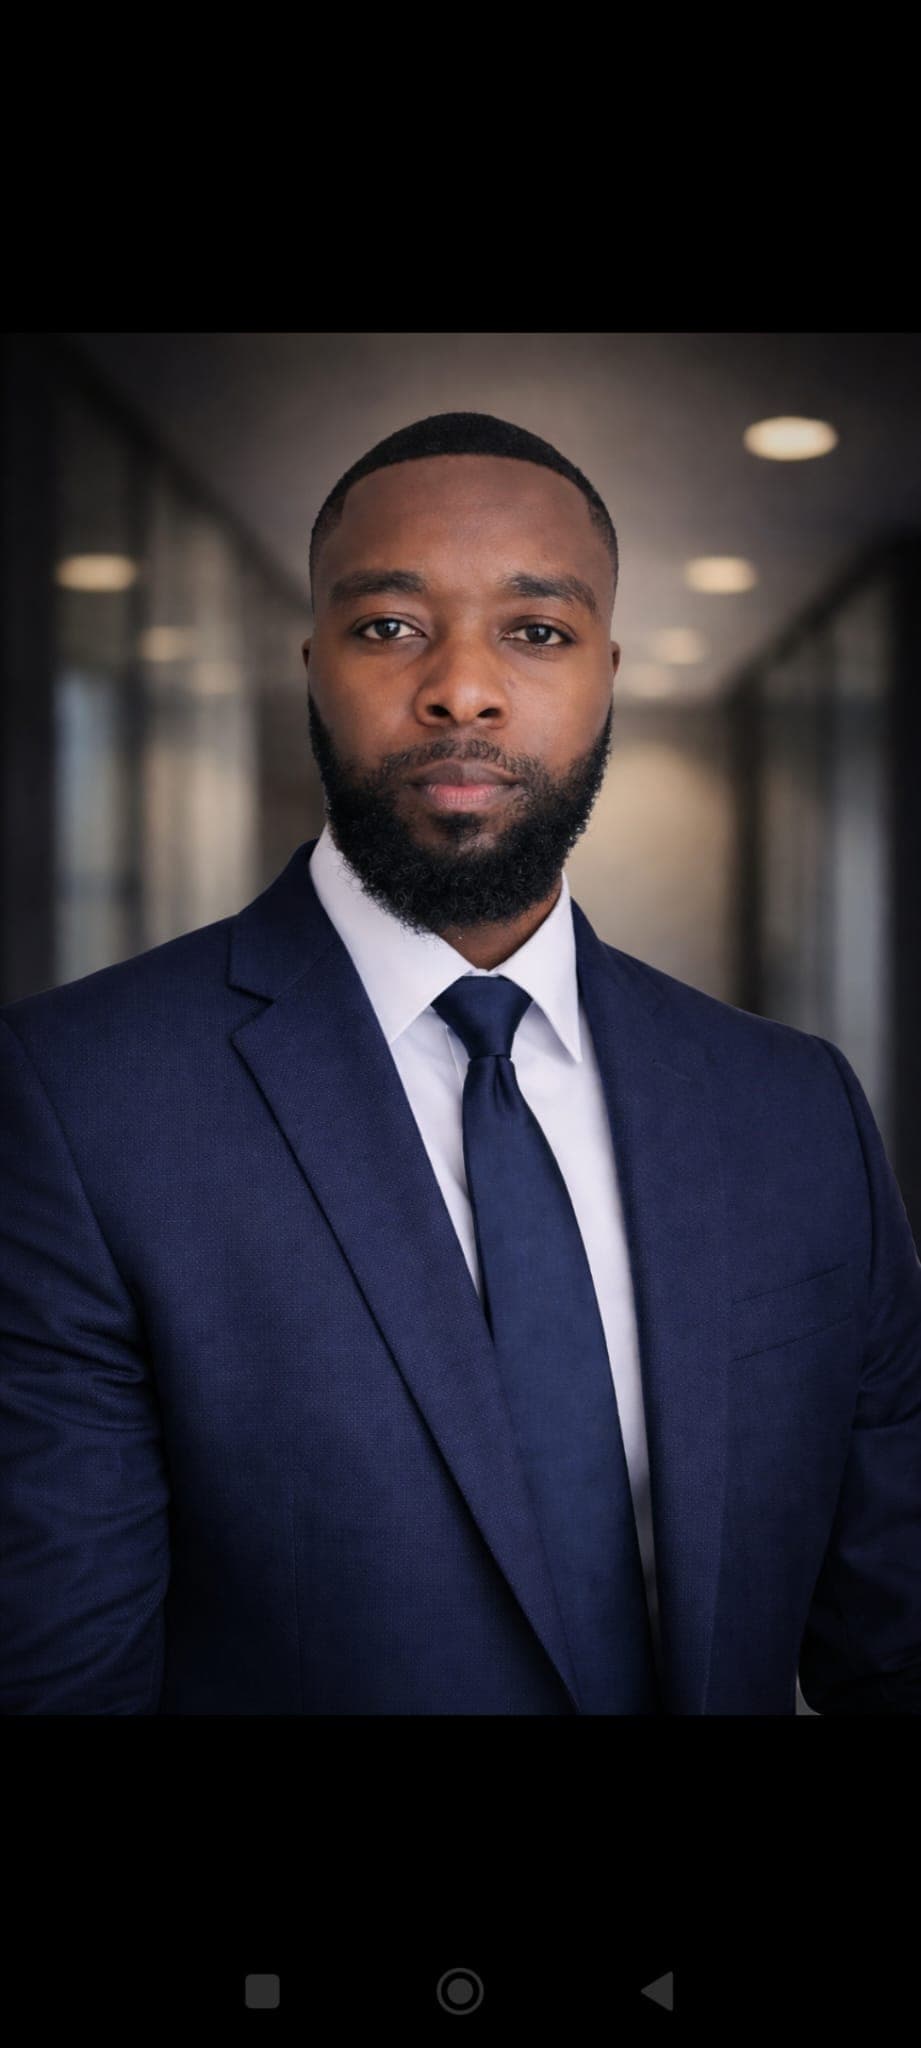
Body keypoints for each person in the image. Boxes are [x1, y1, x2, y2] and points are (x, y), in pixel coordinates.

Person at [2, 410, 920, 1715]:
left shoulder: (794, 1107)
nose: (463, 688)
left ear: (608, 668)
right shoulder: (76, 1098)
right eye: (388, 627)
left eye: (535, 632)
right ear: (311, 661)